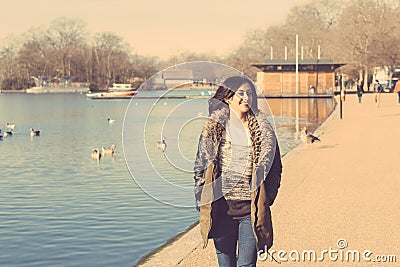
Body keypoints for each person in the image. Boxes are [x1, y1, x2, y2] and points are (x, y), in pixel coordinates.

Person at [193, 76, 282, 266]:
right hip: (221, 209)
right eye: (240, 93)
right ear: (228, 97)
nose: (246, 97)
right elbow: (200, 167)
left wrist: (268, 198)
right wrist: (202, 200)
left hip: (250, 210)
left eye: (249, 93)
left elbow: (275, 168)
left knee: (246, 264)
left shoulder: (263, 128)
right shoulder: (213, 128)